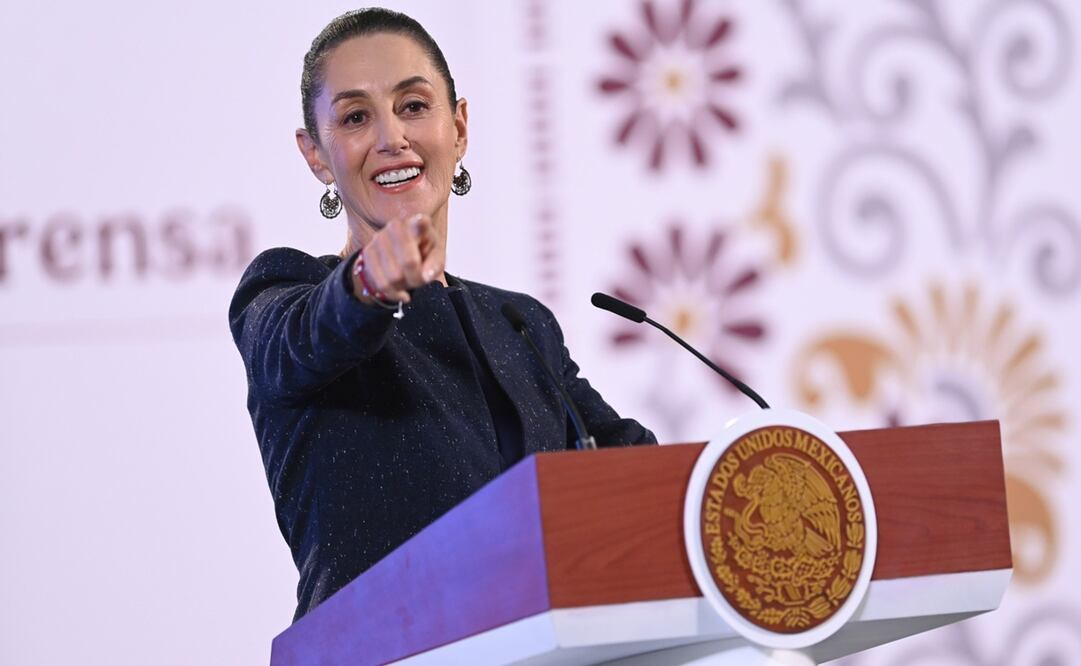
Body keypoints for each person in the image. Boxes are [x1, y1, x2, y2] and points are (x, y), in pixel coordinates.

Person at [228, 7, 656, 622]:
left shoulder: (520, 324)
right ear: (317, 154)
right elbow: (302, 339)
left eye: (413, 106)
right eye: (354, 118)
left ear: (458, 126)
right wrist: (371, 280)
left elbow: (633, 469)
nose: (390, 138)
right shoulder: (287, 288)